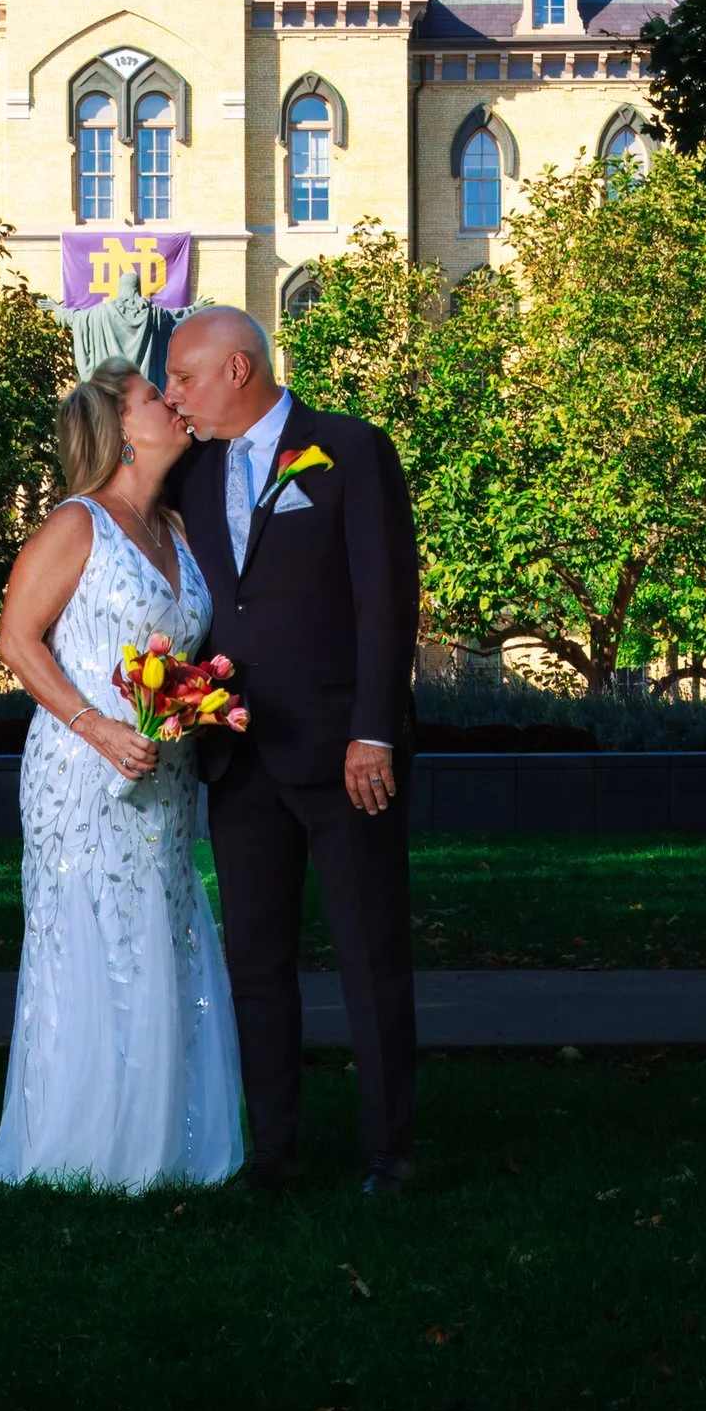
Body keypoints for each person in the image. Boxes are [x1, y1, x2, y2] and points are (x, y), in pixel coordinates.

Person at [163, 307, 420, 1195]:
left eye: (184, 379)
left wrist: (374, 729)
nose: (174, 395)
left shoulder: (349, 449)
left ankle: (391, 1150)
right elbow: (200, 613)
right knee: (256, 966)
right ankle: (272, 1153)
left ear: (237, 370)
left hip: (348, 753)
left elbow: (385, 600)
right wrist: (182, 704)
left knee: (369, 952)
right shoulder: (190, 474)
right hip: (239, 760)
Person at [0, 362, 244, 1192]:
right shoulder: (76, 523)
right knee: (92, 940)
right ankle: (81, 1148)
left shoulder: (178, 527)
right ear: (124, 430)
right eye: (155, 399)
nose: (173, 405)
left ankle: (164, 1143)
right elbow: (15, 640)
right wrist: (95, 725)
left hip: (165, 777)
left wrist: (196, 702)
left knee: (159, 935)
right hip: (81, 772)